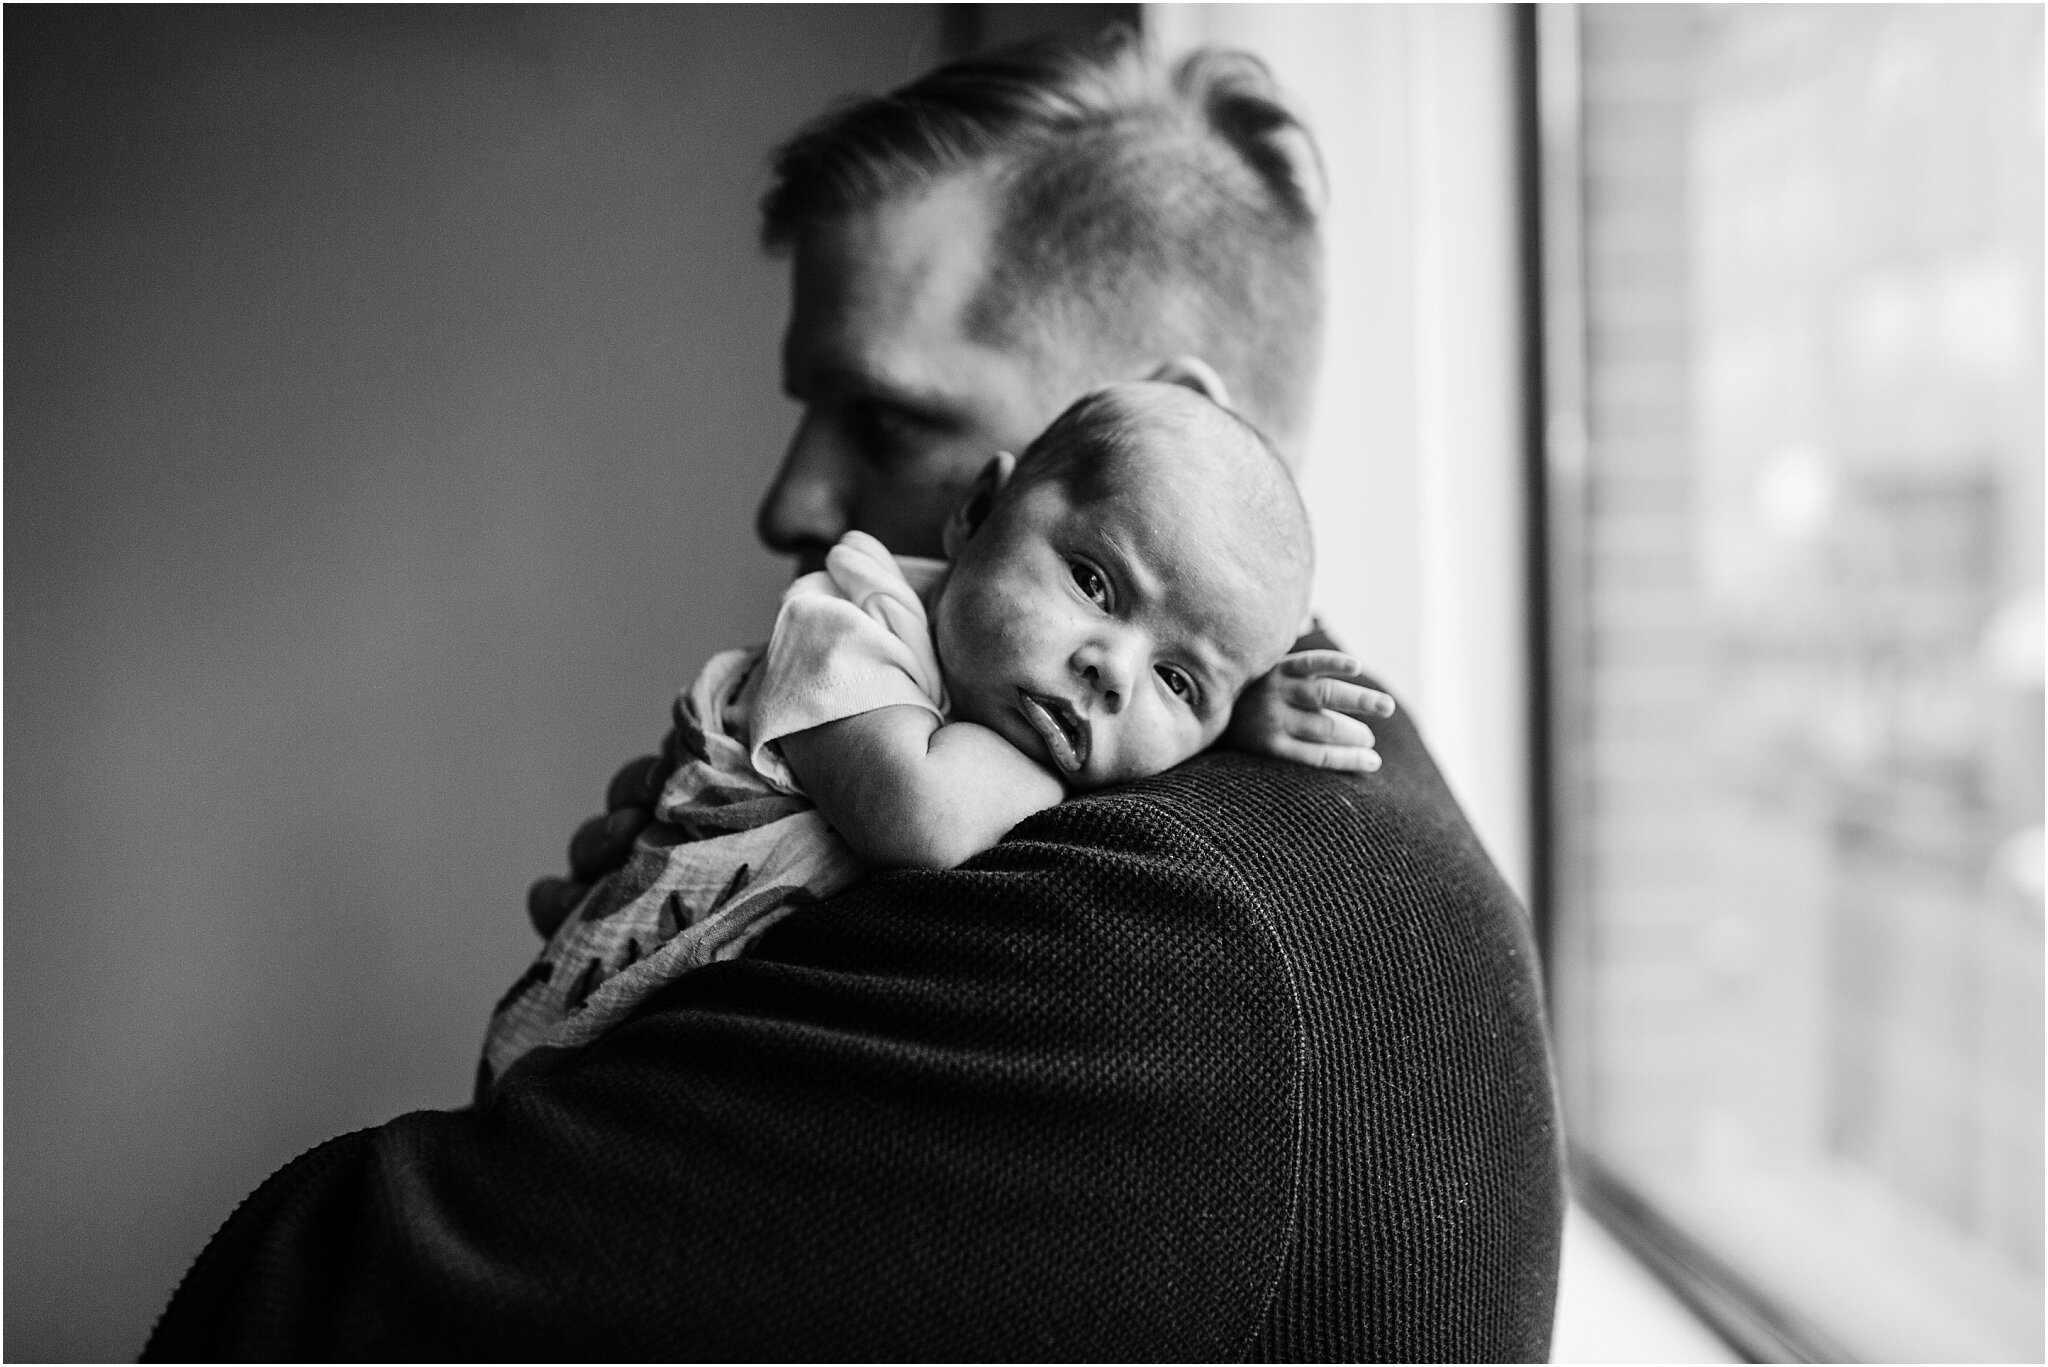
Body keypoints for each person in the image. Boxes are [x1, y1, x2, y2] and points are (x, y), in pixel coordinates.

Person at [144, 27, 1563, 1362]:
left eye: (888, 419)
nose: (793, 500)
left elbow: (314, 1298)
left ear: (1178, 406)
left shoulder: (1152, 930)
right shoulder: (1287, 804)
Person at [481, 376, 1375, 1092]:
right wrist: (1143, 738)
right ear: (978, 511)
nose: (1113, 671)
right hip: (570, 1046)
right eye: (1094, 584)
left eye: (1178, 681)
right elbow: (923, 818)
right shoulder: (848, 617)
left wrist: (1230, 723)